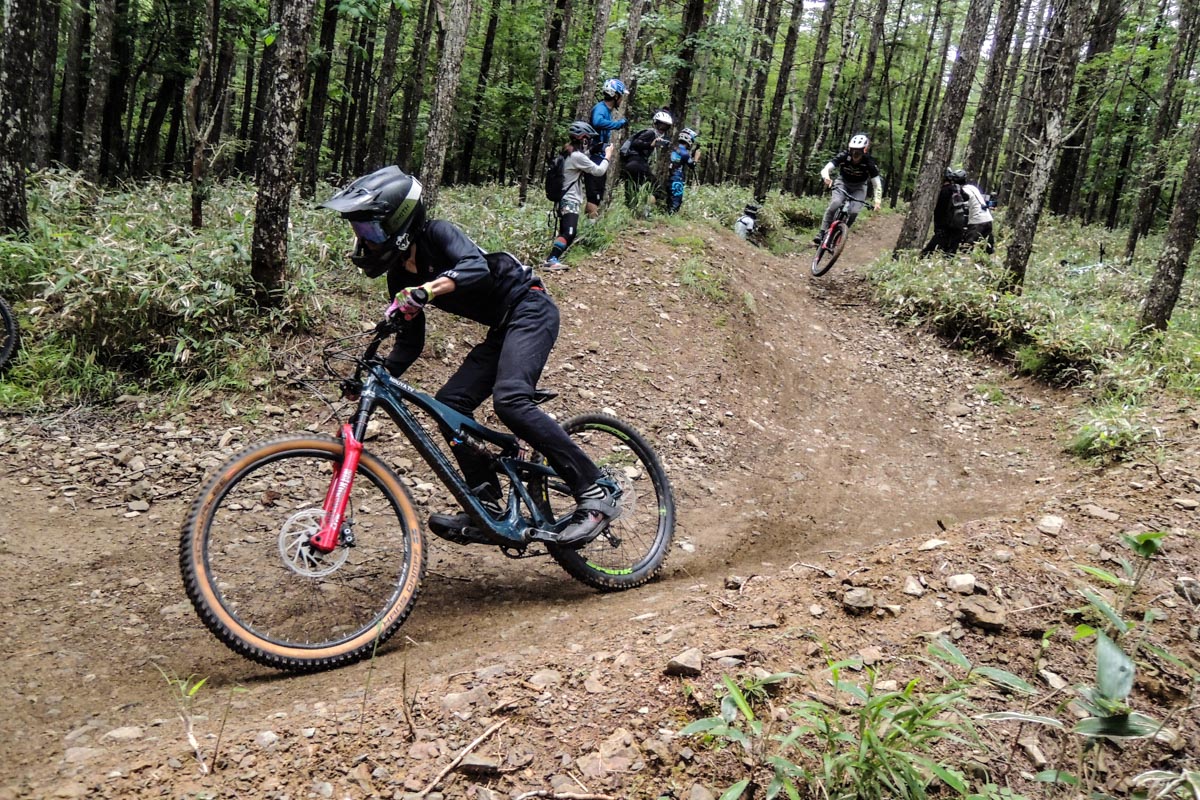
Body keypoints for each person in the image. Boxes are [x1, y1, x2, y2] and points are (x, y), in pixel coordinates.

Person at [320, 165, 622, 546]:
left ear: (399, 223)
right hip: (502, 326)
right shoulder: (398, 277)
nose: (365, 239)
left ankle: (595, 489)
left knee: (510, 400)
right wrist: (372, 373)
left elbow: (475, 268)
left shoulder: (438, 234)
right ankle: (488, 505)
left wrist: (426, 291)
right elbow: (410, 345)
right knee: (450, 405)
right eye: (360, 231)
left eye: (370, 229)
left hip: (530, 306)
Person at [545, 121, 613, 270]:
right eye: (588, 139)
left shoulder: (567, 152)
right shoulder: (577, 156)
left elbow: (583, 158)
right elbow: (598, 171)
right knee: (570, 232)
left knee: (565, 231)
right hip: (570, 199)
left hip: (563, 198)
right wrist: (607, 156)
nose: (589, 143)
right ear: (583, 139)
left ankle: (553, 259)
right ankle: (551, 259)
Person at [816, 133, 883, 243]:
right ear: (850, 149)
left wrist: (877, 202)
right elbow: (826, 169)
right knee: (835, 204)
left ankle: (841, 234)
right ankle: (822, 232)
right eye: (853, 150)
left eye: (859, 151)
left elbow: (877, 184)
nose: (855, 154)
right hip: (842, 182)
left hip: (859, 187)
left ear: (864, 151)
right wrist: (826, 178)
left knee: (854, 212)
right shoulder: (843, 156)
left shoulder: (869, 162)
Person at [585, 78, 628, 217]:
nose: (622, 100)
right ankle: (590, 225)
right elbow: (597, 122)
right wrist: (618, 124)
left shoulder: (607, 111)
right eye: (621, 96)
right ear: (615, 96)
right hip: (593, 155)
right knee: (594, 192)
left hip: (600, 156)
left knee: (598, 192)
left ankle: (592, 222)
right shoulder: (600, 108)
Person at [620, 108, 673, 209]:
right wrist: (650, 145)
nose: (662, 128)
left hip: (634, 164)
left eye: (665, 127)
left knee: (633, 190)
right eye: (661, 125)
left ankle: (633, 213)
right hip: (637, 164)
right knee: (658, 190)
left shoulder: (654, 135)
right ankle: (644, 210)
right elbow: (636, 143)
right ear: (655, 123)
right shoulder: (650, 133)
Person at [921, 168, 968, 257]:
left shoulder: (941, 192)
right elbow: (966, 197)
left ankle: (921, 258)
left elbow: (939, 210)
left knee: (931, 248)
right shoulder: (956, 188)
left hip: (943, 226)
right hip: (958, 223)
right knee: (950, 252)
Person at [958, 172, 995, 254]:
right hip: (987, 218)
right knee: (988, 247)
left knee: (967, 247)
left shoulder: (964, 191)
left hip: (977, 221)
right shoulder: (972, 187)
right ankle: (987, 262)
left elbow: (964, 205)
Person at [667, 128, 700, 214]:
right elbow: (692, 165)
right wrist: (696, 158)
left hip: (668, 175)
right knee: (676, 199)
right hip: (676, 177)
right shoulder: (684, 153)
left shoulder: (673, 148)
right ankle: (671, 217)